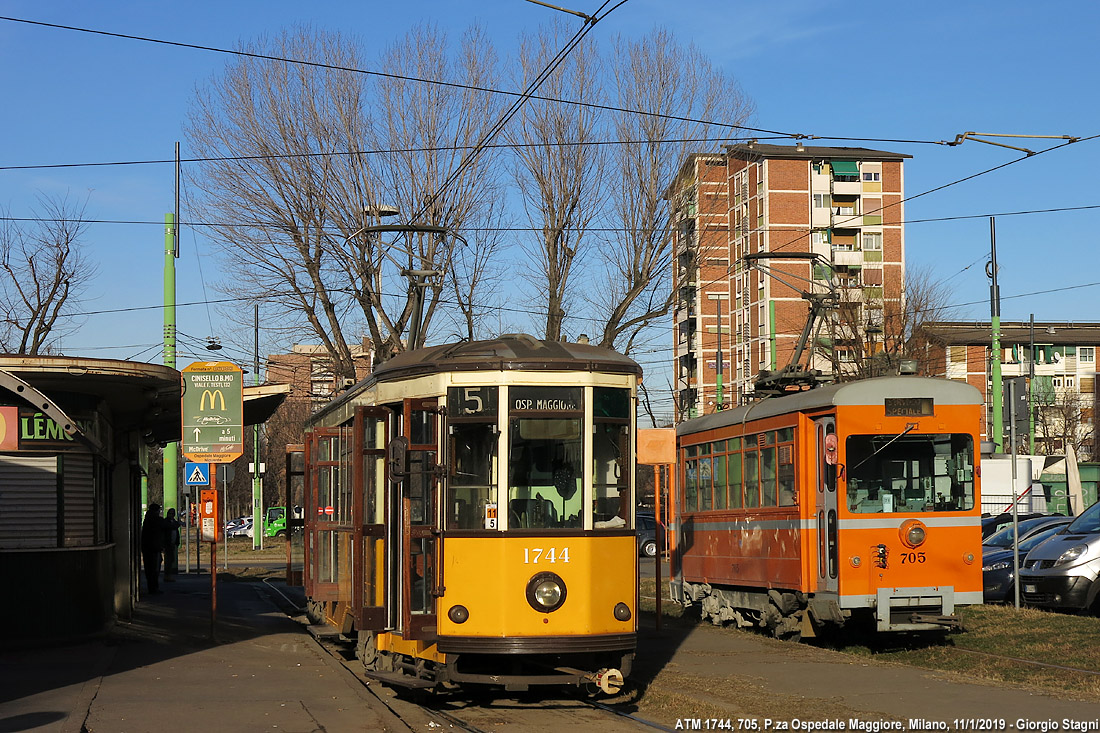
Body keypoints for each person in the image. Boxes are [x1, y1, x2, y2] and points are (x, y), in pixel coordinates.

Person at [141, 503, 164, 594]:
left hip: (147, 548)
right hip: (154, 548)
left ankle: (152, 587)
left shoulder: (147, 519)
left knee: (149, 569)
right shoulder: (157, 520)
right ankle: (154, 588)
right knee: (154, 569)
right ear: (157, 511)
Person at [162, 507, 182, 582]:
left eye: (173, 514)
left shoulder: (173, 521)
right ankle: (167, 575)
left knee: (171, 559)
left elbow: (176, 527)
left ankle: (168, 575)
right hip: (167, 543)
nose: (171, 515)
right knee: (168, 560)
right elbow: (172, 526)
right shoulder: (166, 522)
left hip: (173, 543)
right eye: (170, 513)